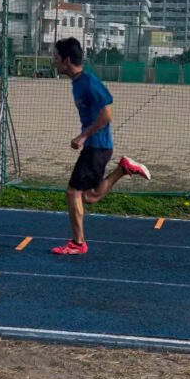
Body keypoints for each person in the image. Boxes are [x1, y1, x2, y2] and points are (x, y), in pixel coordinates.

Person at [51, 37, 151, 255]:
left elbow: (107, 115)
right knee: (89, 197)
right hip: (97, 147)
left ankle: (78, 244)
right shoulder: (78, 82)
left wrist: (83, 136)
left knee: (73, 193)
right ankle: (123, 169)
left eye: (56, 58)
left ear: (67, 60)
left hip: (97, 147)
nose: (54, 62)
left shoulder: (88, 82)